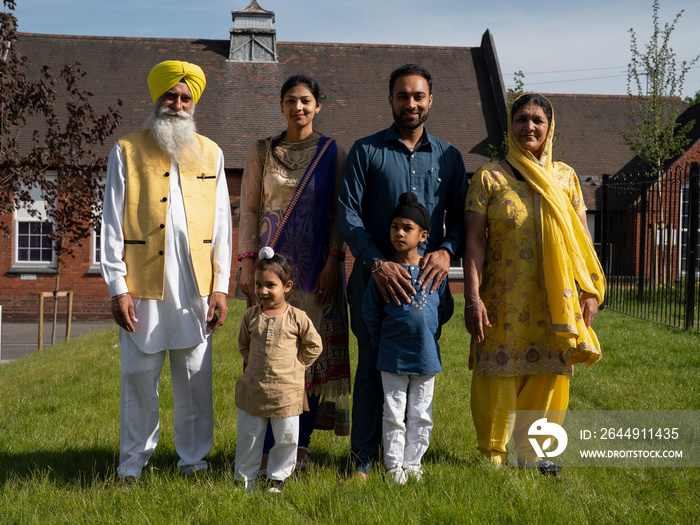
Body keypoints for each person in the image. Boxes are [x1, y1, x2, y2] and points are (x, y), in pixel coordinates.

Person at [101, 60, 232, 482]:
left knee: (195, 377)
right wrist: (117, 287)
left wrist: (221, 287)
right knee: (138, 377)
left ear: (194, 104)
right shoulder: (126, 150)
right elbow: (110, 222)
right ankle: (131, 465)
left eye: (184, 98)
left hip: (196, 288)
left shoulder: (211, 152)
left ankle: (194, 461)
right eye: (170, 96)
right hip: (141, 287)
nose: (177, 104)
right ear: (157, 99)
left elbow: (221, 227)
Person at [463, 93, 605, 475]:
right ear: (509, 126)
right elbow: (474, 241)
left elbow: (581, 240)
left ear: (549, 126)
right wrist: (473, 298)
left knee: (549, 372)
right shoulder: (489, 176)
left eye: (537, 120)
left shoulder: (565, 177)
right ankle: (493, 454)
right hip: (502, 295)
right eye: (521, 119)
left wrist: (589, 288)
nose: (529, 126)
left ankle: (535, 454)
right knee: (498, 372)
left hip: (554, 298)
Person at [337, 64, 468, 480]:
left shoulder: (449, 156)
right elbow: (347, 213)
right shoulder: (367, 151)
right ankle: (362, 457)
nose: (410, 103)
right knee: (374, 365)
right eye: (402, 95)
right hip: (374, 279)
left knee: (417, 371)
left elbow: (464, 218)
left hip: (428, 286)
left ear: (430, 100)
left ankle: (408, 460)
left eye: (418, 96)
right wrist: (375, 262)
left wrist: (447, 252)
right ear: (390, 99)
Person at [237, 75, 351, 470]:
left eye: (305, 101)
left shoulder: (332, 153)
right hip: (270, 275)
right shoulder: (261, 151)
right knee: (269, 357)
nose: (298, 108)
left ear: (318, 105)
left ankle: (298, 448)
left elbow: (340, 212)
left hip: (316, 273)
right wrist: (247, 262)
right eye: (290, 101)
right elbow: (250, 209)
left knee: (306, 358)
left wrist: (334, 261)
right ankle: (267, 448)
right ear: (281, 105)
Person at [362, 192, 453, 485]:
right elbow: (370, 313)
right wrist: (384, 341)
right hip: (392, 356)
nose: (399, 233)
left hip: (427, 356)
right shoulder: (383, 274)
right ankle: (393, 468)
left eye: (407, 228)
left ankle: (413, 465)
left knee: (421, 414)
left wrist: (427, 337)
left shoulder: (435, 274)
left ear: (423, 234)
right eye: (395, 227)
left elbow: (444, 310)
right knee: (393, 413)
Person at [235, 250, 323, 493]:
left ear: (287, 286)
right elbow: (243, 344)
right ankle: (245, 480)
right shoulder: (250, 316)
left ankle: (277, 478)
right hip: (255, 389)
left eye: (270, 285)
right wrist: (253, 363)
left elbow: (315, 345)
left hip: (286, 392)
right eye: (258, 285)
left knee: (286, 437)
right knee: (250, 436)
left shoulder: (297, 317)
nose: (263, 291)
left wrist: (297, 366)